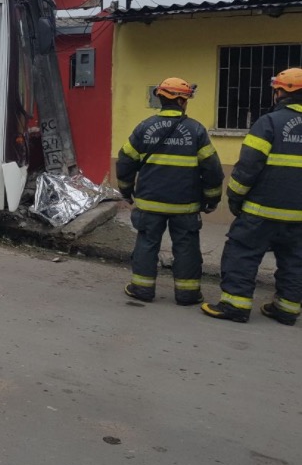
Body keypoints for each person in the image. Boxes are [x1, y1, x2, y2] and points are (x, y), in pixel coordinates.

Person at [201, 67, 302, 326]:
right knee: (295, 260)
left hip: (261, 211)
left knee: (242, 252)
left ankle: (235, 305)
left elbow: (248, 167)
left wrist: (235, 198)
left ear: (280, 92)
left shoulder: (269, 123)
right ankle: (287, 309)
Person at [116, 77, 225, 305]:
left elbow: (125, 160)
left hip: (149, 203)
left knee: (147, 243)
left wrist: (126, 191)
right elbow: (212, 168)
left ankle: (142, 289)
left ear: (161, 99)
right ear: (183, 101)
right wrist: (212, 198)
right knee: (186, 247)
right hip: (185, 205)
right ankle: (188, 294)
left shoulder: (144, 127)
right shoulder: (196, 130)